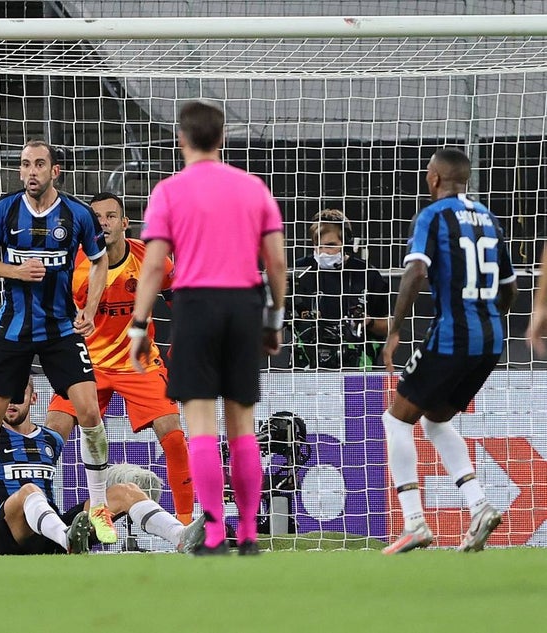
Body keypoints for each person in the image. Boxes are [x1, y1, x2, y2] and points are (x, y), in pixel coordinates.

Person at [129, 100, 287, 556]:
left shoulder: (169, 191)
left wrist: (139, 325)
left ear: (182, 139)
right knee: (242, 423)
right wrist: (274, 317)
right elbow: (275, 260)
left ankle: (215, 533)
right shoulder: (253, 188)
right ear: (221, 139)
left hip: (196, 305)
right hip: (243, 304)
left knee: (199, 423)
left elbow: (155, 265)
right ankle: (251, 535)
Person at [0, 139, 118, 548]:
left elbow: (100, 260)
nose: (31, 171)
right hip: (13, 329)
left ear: (55, 171)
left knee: (88, 411)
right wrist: (16, 270)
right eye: (25, 164)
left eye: (39, 164)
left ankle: (99, 505)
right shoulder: (4, 209)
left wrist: (91, 307)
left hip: (60, 330)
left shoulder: (78, 214)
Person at [380, 148, 516, 555]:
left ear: (434, 178)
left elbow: (417, 270)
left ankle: (414, 522)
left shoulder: (432, 215)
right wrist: (485, 318)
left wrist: (394, 329)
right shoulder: (490, 219)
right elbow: (509, 287)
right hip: (491, 339)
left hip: (453, 334)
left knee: (396, 420)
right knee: (436, 421)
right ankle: (479, 505)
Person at [44, 192, 194, 524]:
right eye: (96, 217)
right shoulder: (74, 264)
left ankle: (185, 526)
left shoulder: (151, 260)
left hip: (137, 363)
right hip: (87, 363)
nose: (103, 222)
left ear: (124, 223)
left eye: (111, 216)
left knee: (173, 435)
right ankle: (42, 519)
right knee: (51, 434)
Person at [0, 377, 205, 556]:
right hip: (9, 534)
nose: (12, 401)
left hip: (51, 530)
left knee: (127, 490)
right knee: (31, 490)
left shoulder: (50, 439)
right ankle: (67, 538)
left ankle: (180, 536)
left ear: (33, 398)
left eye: (20, 393)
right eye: (5, 394)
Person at [289, 209, 389, 369]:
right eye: (317, 246)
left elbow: (389, 324)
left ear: (346, 243)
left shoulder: (366, 274)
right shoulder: (299, 271)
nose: (323, 252)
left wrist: (368, 322)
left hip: (356, 368)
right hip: (306, 368)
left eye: (330, 246)